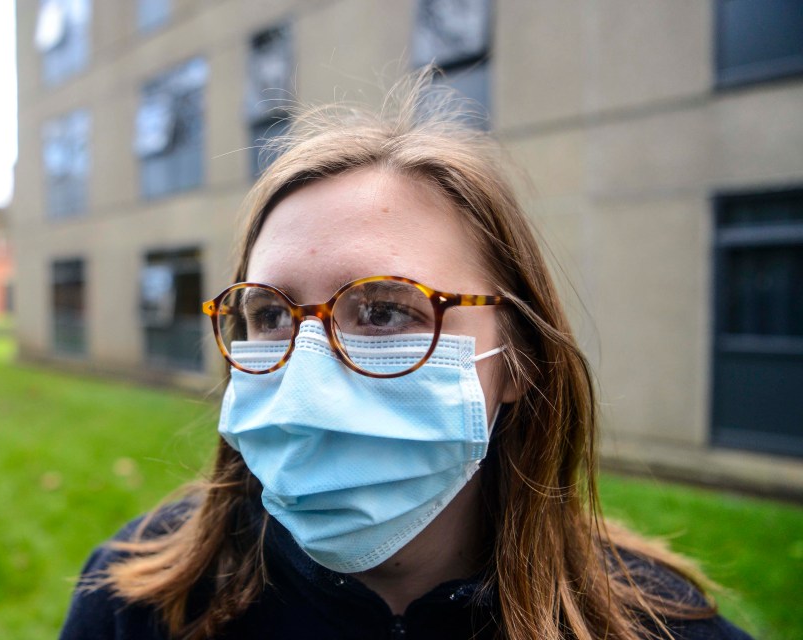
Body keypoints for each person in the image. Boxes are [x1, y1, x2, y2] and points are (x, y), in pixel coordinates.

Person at [59, 71, 753, 640]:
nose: (303, 383)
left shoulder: (663, 628)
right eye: (269, 314)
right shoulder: (133, 604)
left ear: (518, 361)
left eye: (385, 310)